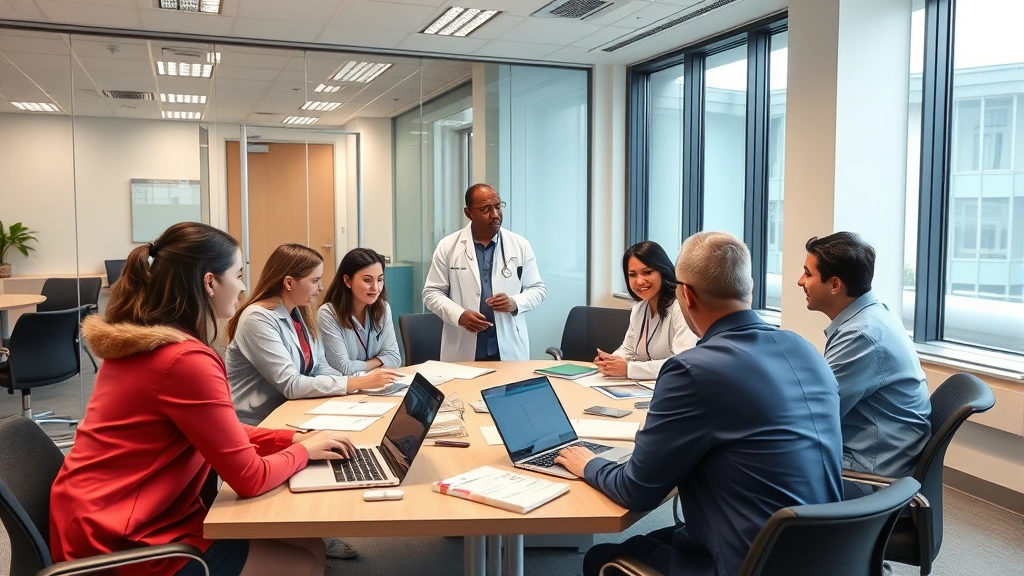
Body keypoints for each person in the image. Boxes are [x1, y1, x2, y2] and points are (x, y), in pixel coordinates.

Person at [49, 222, 356, 576]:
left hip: (102, 511)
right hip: (123, 536)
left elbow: (219, 430)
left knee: (311, 546)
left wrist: (292, 439)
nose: (243, 287)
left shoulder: (148, 340)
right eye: (238, 275)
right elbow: (249, 478)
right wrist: (302, 452)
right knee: (307, 564)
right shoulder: (184, 360)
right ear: (209, 282)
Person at [556, 231, 844, 576]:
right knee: (654, 540)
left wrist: (588, 463)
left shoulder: (692, 370)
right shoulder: (804, 349)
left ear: (686, 295)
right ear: (748, 286)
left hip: (749, 562)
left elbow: (636, 491)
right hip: (822, 551)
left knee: (601, 558)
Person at [798, 232, 931, 497]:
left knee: (753, 465)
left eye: (808, 274)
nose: (800, 281)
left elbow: (815, 415)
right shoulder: (873, 315)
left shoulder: (862, 335)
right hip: (876, 455)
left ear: (835, 284)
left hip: (868, 475)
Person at [226, 244, 402, 427]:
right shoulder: (257, 319)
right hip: (256, 424)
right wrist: (356, 382)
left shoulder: (296, 314)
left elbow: (320, 367)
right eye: (315, 280)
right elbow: (291, 384)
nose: (320, 288)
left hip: (292, 413)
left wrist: (358, 387)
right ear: (288, 283)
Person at [423, 183, 546, 361]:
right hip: (463, 345)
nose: (495, 214)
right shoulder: (448, 246)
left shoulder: (520, 245)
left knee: (508, 386)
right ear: (469, 213)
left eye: (497, 206)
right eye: (486, 209)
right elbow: (431, 293)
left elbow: (538, 290)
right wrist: (459, 315)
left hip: (507, 345)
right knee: (463, 389)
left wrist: (514, 302)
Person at [594, 241, 698, 380]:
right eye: (632, 274)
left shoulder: (681, 307)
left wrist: (629, 369)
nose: (639, 281)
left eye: (647, 272)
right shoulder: (640, 308)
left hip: (678, 386)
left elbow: (682, 362)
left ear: (663, 271)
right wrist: (611, 361)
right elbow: (628, 349)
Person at [318, 247, 402, 374]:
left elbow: (395, 358)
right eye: (367, 280)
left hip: (377, 386)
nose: (376, 287)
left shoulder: (383, 308)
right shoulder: (328, 314)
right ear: (347, 280)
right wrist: (376, 363)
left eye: (379, 279)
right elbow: (342, 368)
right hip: (345, 391)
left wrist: (360, 367)